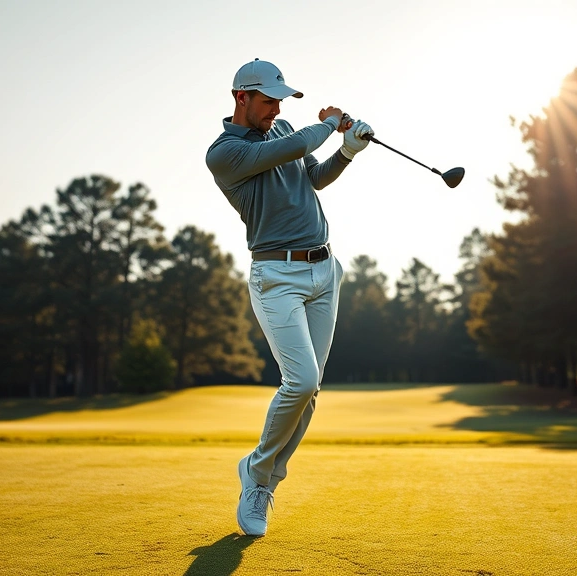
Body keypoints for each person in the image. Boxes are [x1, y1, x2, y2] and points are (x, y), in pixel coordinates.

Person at [205, 58, 374, 537]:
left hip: (325, 271)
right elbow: (299, 144)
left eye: (280, 99)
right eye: (268, 99)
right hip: (276, 276)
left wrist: (347, 152)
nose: (275, 107)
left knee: (311, 388)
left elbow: (312, 176)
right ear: (241, 97)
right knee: (298, 382)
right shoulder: (224, 153)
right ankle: (257, 472)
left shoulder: (279, 127)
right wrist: (325, 124)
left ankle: (266, 481)